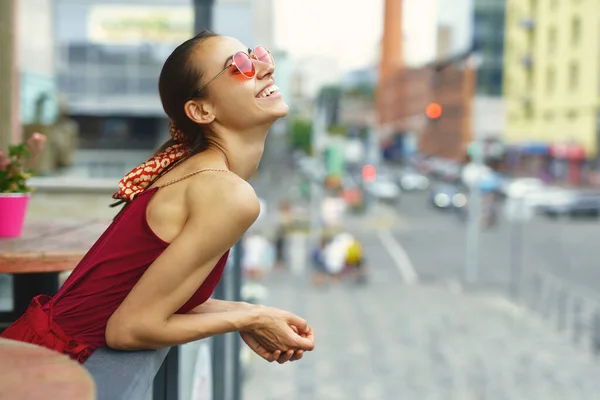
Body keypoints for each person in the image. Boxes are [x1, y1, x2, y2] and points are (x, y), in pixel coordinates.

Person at [1, 30, 315, 364]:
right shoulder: (227, 193)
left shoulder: (194, 172)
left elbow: (140, 296)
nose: (265, 69)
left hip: (35, 356)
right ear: (201, 111)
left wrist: (253, 312)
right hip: (53, 374)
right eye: (239, 65)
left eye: (256, 56)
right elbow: (129, 329)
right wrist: (248, 319)